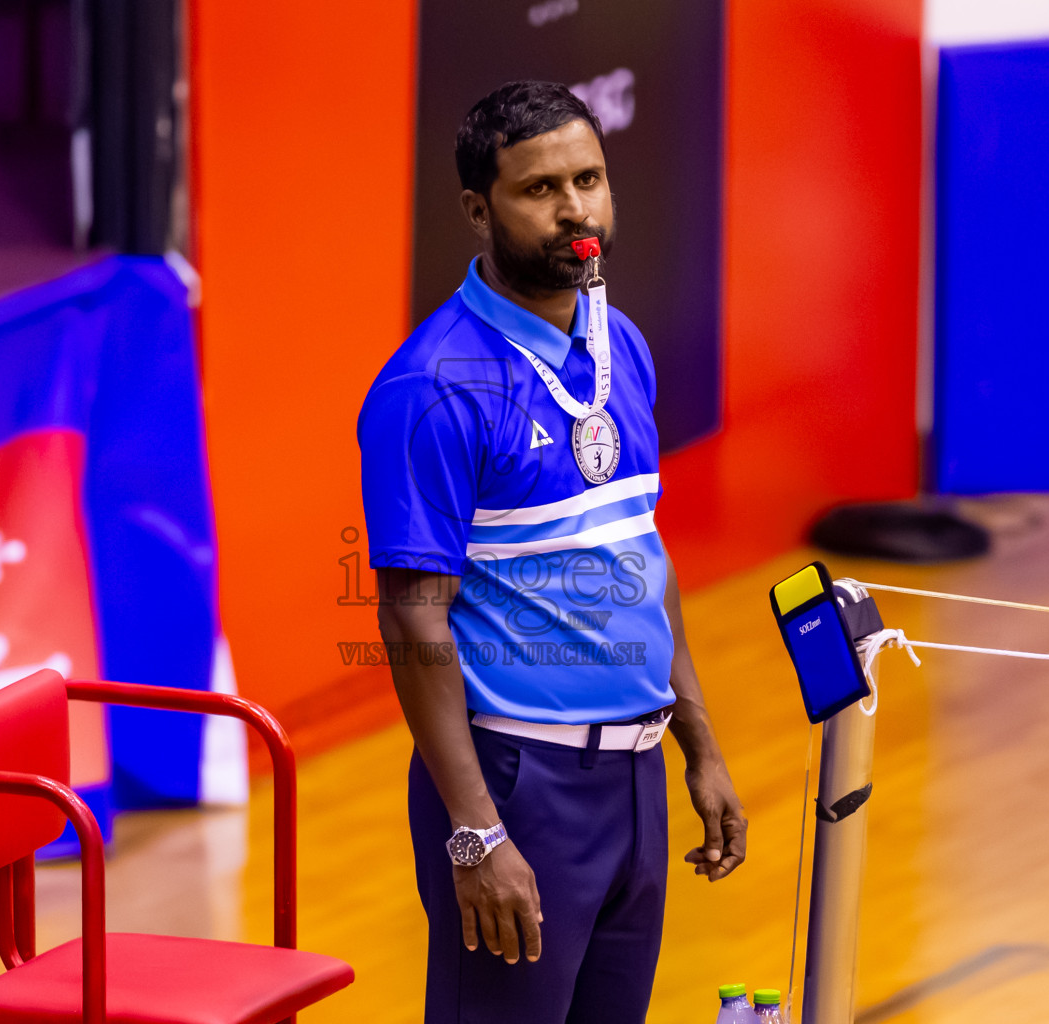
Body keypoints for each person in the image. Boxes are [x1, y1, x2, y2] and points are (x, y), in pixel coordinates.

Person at [357, 80, 746, 1023]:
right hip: (518, 787)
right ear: (476, 209)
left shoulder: (624, 346)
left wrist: (698, 741)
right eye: (541, 189)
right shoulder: (432, 387)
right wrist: (474, 836)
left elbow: (637, 558)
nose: (577, 210)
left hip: (637, 781)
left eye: (590, 179)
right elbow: (413, 614)